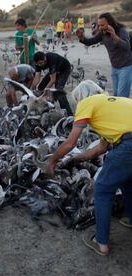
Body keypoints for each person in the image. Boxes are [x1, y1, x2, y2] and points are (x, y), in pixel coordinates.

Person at [46, 80, 132, 256]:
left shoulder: (87, 102)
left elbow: (70, 142)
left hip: (127, 146)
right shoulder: (113, 105)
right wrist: (73, 161)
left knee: (102, 190)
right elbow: (99, 149)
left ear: (81, 97)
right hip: (126, 142)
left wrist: (53, 161)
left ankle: (101, 243)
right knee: (127, 181)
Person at [76, 13, 132, 98]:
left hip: (125, 67)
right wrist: (81, 37)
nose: (100, 27)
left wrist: (113, 34)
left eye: (102, 25)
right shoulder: (102, 33)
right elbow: (90, 42)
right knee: (116, 94)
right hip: (114, 67)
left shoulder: (121, 31)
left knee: (122, 96)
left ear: (110, 23)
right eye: (99, 25)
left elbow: (126, 47)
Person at [31, 51, 73, 115]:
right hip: (55, 70)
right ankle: (47, 106)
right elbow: (37, 77)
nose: (40, 65)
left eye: (41, 63)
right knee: (40, 87)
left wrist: (46, 91)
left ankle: (68, 114)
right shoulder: (37, 63)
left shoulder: (52, 59)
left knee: (58, 90)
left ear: (45, 58)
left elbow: (53, 80)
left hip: (64, 69)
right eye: (38, 64)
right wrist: (32, 88)